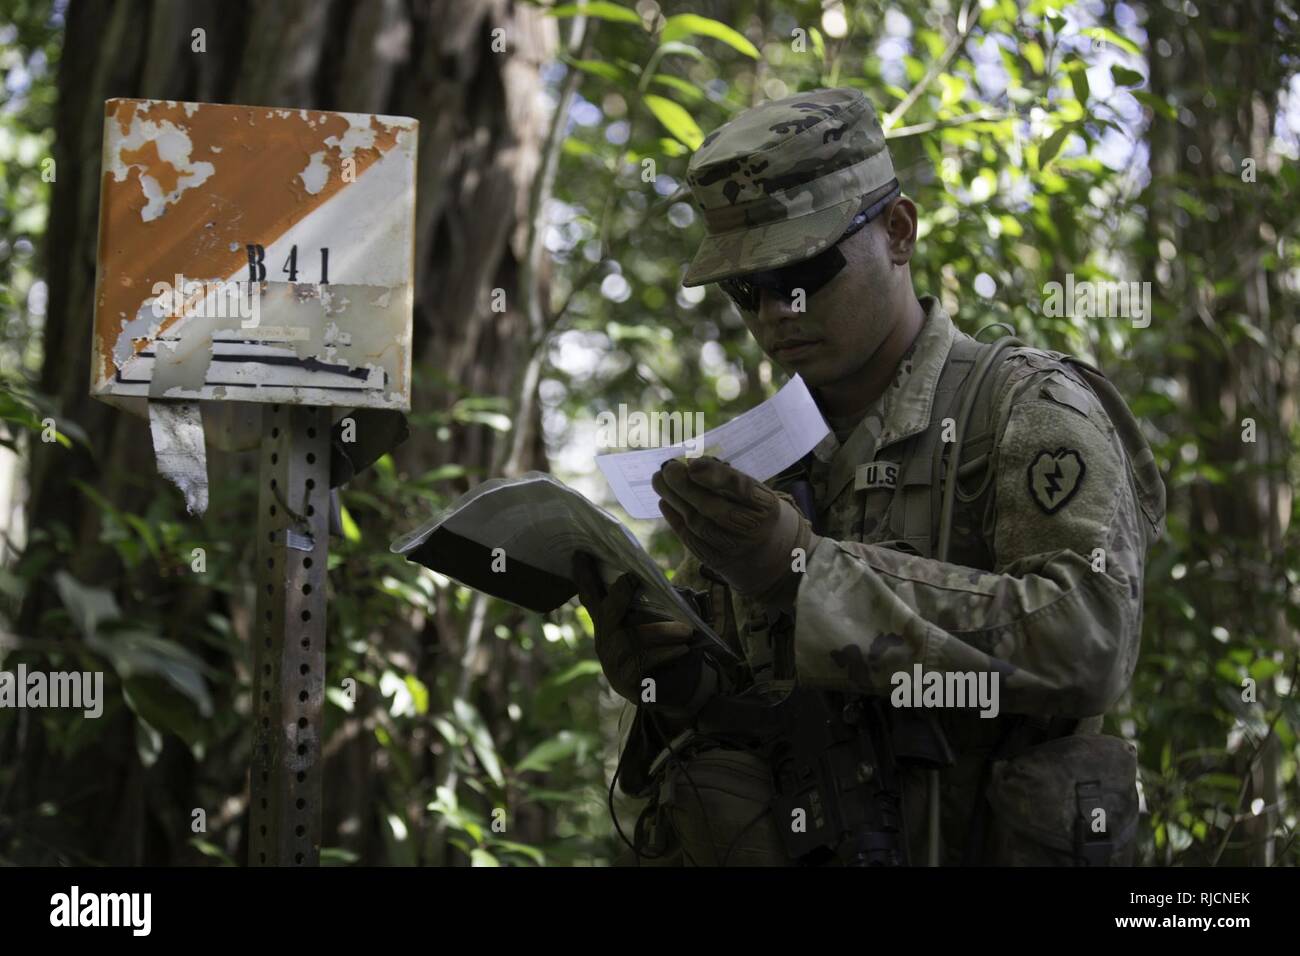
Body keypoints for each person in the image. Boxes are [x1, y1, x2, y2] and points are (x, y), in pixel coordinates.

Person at [573, 87, 1166, 866]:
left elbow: (1090, 641)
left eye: (805, 271)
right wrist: (672, 680)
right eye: (744, 290)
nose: (774, 313)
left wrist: (807, 575)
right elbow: (748, 704)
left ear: (898, 231)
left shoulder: (1023, 405)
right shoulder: (760, 458)